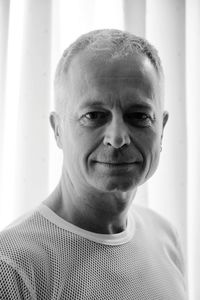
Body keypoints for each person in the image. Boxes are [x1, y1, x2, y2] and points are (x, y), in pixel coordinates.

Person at [0, 29, 187, 299]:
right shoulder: (11, 265)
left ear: (162, 129)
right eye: (94, 115)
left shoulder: (165, 237)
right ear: (58, 130)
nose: (118, 138)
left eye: (139, 115)